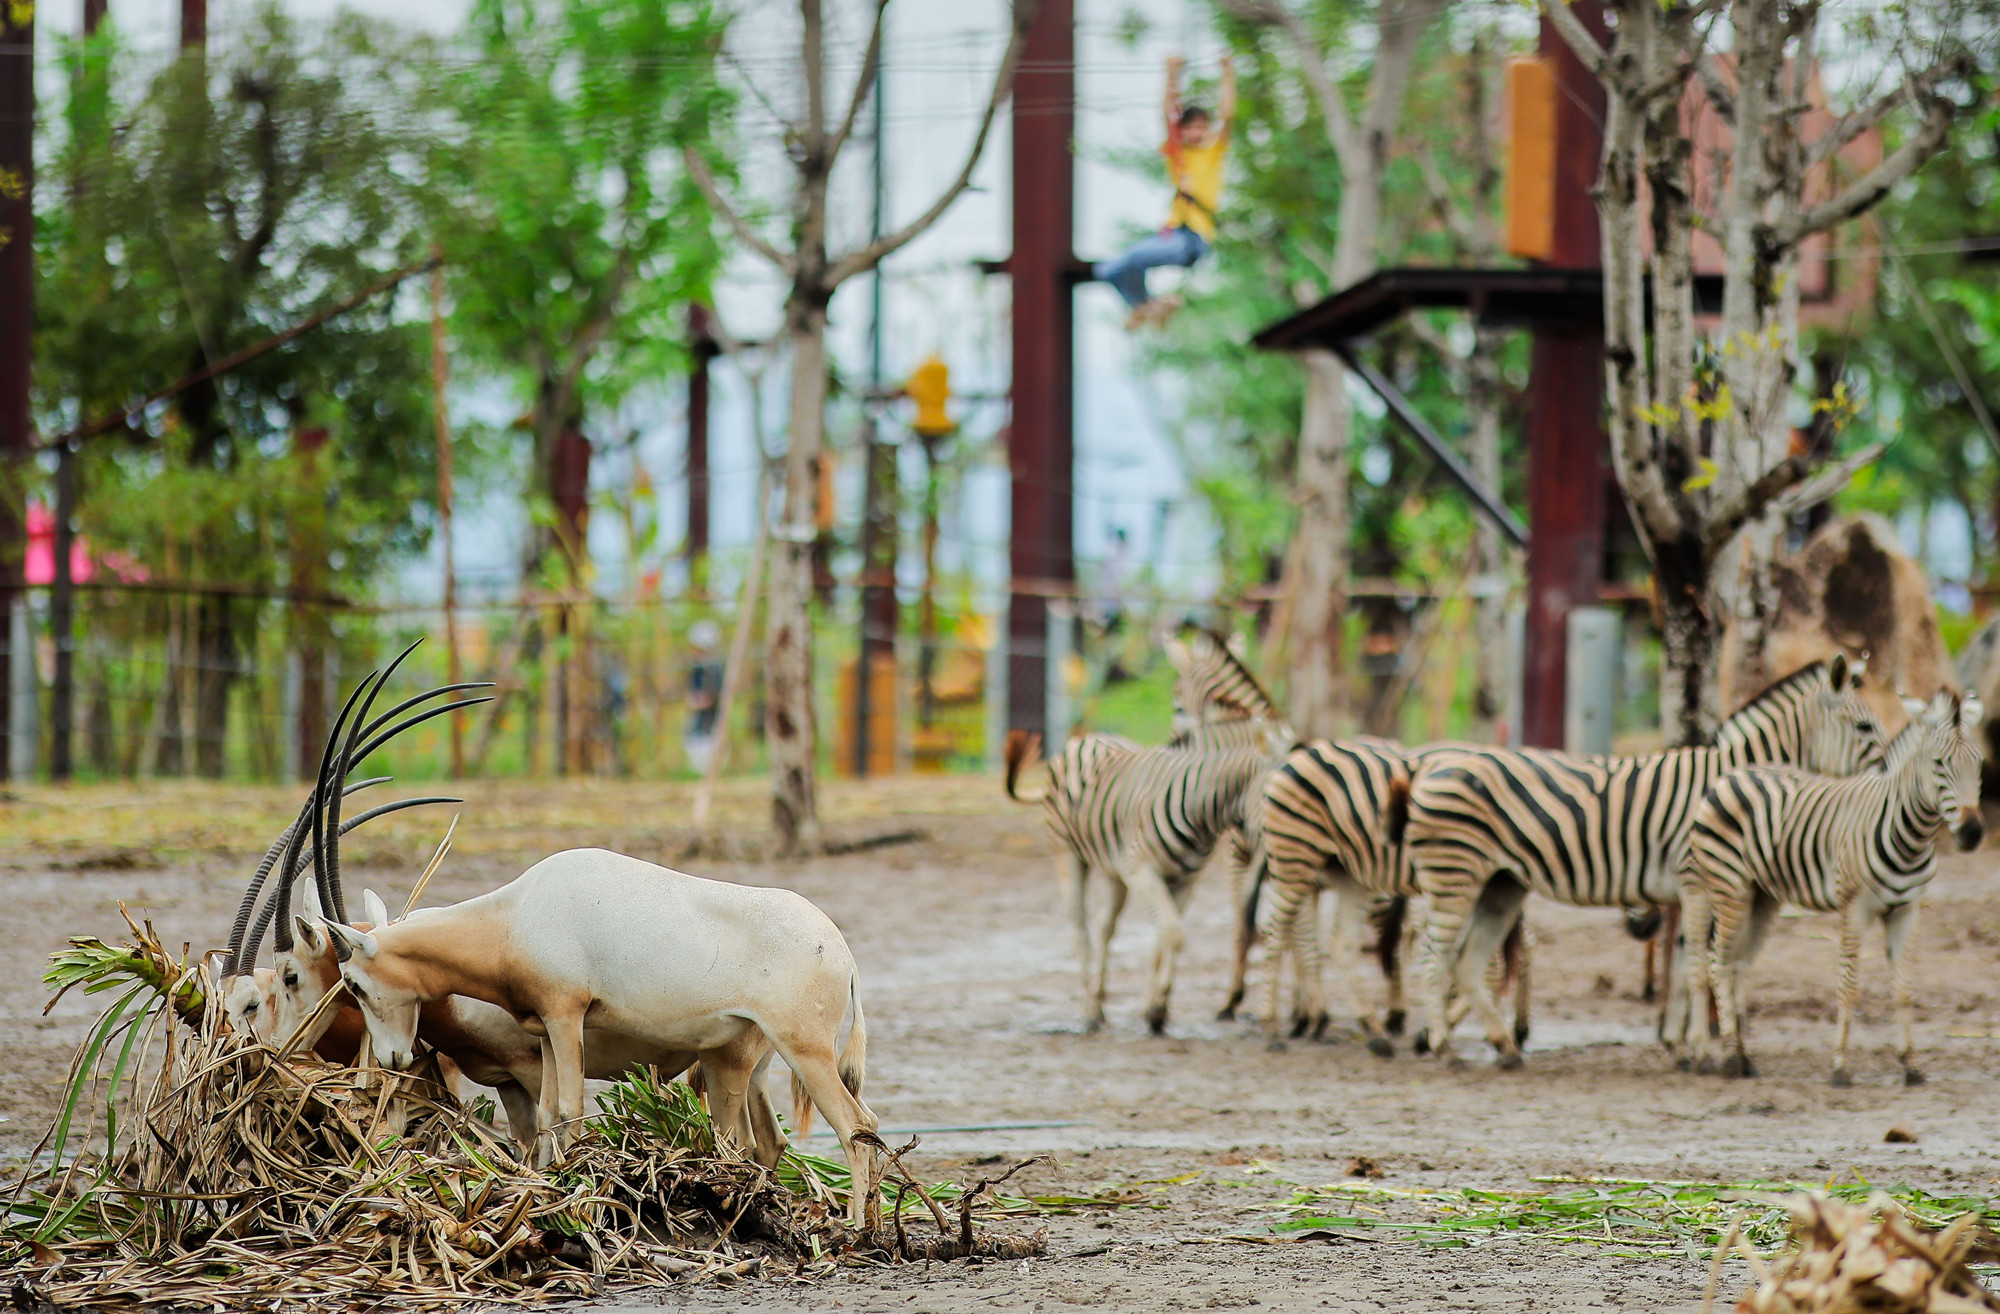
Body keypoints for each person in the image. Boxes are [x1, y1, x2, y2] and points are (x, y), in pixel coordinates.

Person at [1094, 54, 1235, 331]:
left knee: (1134, 259)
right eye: (1191, 127)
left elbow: (1227, 115)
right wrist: (1170, 75)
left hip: (1193, 237)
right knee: (1107, 270)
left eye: (1201, 127)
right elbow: (1167, 114)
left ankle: (1146, 304)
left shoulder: (1212, 152)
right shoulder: (1178, 154)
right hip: (1172, 231)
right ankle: (1145, 306)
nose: (1196, 133)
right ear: (1183, 131)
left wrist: (1228, 74)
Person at [683, 619, 724, 773]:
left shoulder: (712, 669)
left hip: (710, 727)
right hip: (698, 726)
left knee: (707, 762)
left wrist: (697, 702)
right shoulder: (698, 669)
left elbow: (713, 695)